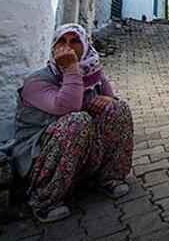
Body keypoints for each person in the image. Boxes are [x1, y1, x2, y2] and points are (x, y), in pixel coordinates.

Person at [11, 23, 134, 223]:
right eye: (62, 41)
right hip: (41, 158)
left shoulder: (95, 75)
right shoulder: (37, 81)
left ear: (85, 45)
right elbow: (67, 108)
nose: (68, 47)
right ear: (53, 46)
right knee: (77, 120)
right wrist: (71, 69)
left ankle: (107, 177)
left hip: (80, 155)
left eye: (75, 41)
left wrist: (110, 102)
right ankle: (44, 199)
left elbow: (112, 102)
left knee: (118, 109)